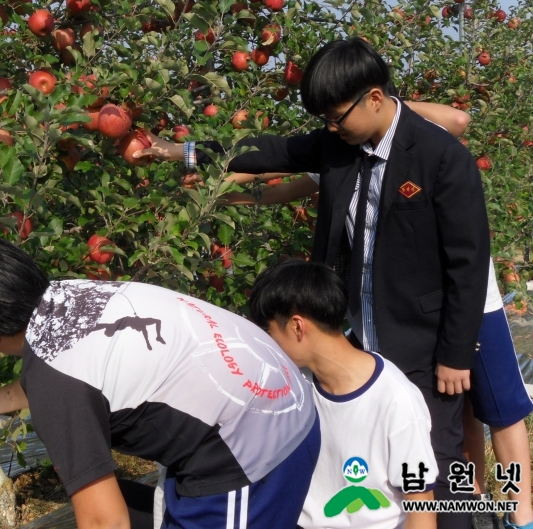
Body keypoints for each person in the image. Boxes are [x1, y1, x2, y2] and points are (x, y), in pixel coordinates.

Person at [136, 38, 491, 529]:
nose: (330, 127)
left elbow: (468, 263)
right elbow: (266, 151)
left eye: (337, 115)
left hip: (423, 344)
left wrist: (454, 354)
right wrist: (181, 151)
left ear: (374, 97)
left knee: (431, 465)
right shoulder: (337, 147)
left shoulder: (439, 157)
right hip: (355, 333)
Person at [223, 107, 533, 529]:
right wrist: (216, 188)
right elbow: (280, 170)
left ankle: (520, 517)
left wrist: (388, 100)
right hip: (403, 311)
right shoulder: (345, 152)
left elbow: (458, 121)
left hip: (473, 303)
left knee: (499, 407)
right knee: (451, 417)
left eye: (339, 109)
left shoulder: (415, 141)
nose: (334, 123)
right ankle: (469, 502)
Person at [0, 233, 320, 529]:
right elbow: (65, 374)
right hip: (283, 395)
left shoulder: (55, 382)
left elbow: (106, 521)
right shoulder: (70, 296)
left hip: (257, 452)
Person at [249, 259, 437, 529]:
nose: (266, 345)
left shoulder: (396, 401)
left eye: (268, 332)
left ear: (297, 326)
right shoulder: (294, 383)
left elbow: (422, 508)